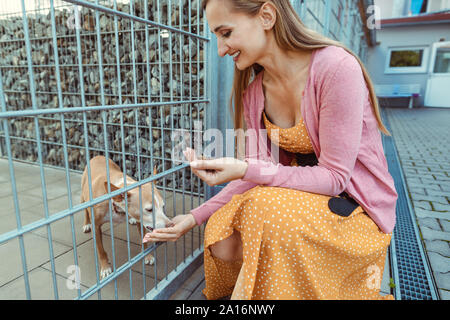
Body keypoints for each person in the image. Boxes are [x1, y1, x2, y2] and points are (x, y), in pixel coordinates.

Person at [143, 0, 398, 300]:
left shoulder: (336, 68)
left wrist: (246, 168)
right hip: (304, 203)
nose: (221, 49)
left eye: (226, 32)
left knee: (265, 209)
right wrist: (193, 217)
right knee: (221, 228)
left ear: (266, 16)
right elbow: (254, 173)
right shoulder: (255, 93)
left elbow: (335, 178)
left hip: (357, 208)